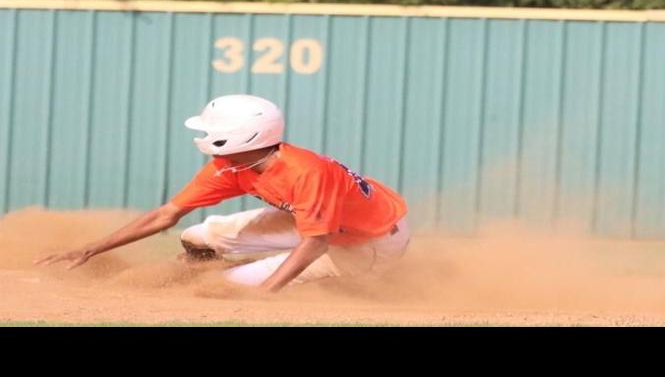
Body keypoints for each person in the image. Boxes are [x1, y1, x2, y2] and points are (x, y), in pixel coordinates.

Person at [35, 95, 410, 292]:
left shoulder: (304, 171)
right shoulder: (233, 166)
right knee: (198, 237)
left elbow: (317, 243)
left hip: (369, 242)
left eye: (212, 127)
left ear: (244, 134)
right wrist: (89, 248)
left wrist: (266, 292)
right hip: (321, 223)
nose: (204, 133)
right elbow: (166, 215)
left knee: (228, 288)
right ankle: (199, 269)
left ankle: (377, 283)